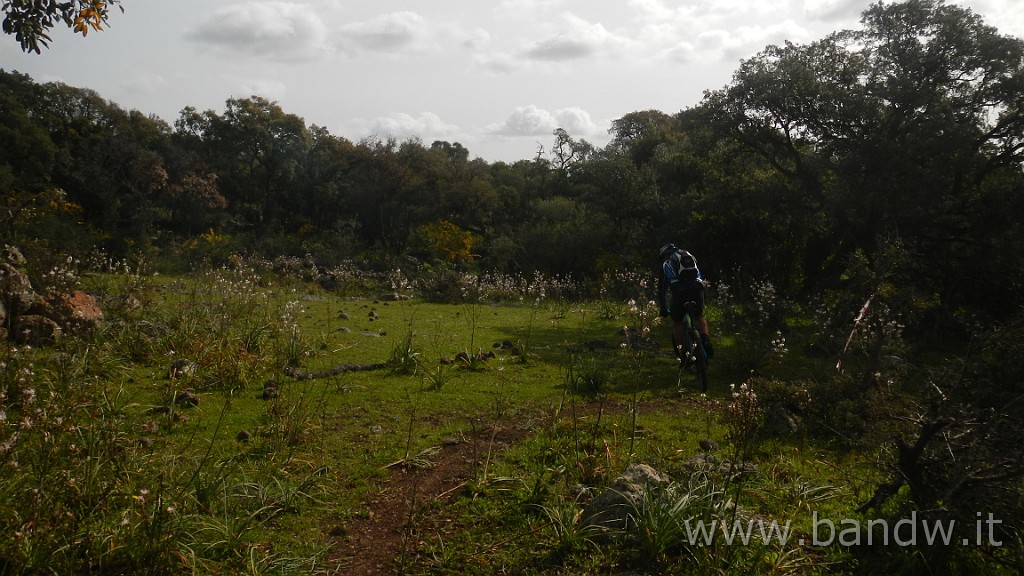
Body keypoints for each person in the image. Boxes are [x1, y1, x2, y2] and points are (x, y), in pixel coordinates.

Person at [657, 243, 713, 361]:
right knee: (699, 316)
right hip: (697, 288)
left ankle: (683, 353)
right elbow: (699, 276)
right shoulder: (690, 257)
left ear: (665, 255)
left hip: (679, 292)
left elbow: (662, 289)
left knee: (677, 322)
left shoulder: (667, 263)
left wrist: (663, 308)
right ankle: (705, 339)